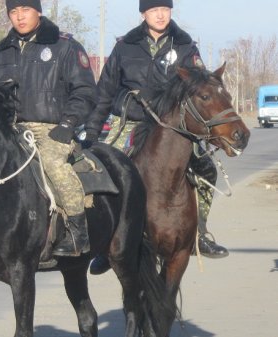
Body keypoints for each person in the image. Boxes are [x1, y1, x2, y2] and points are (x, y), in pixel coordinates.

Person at [83, 0, 229, 274]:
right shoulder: (125, 46)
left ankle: (199, 232)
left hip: (174, 127)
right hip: (131, 121)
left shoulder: (185, 46)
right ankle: (108, 241)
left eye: (165, 8)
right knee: (104, 170)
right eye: (153, 9)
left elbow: (200, 90)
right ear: (143, 13)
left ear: (171, 11)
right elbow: (103, 93)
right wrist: (91, 133)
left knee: (206, 169)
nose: (160, 14)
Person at [0, 0, 97, 257]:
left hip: (52, 129)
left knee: (53, 165)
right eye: (13, 12)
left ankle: (78, 233)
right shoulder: (0, 52)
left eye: (25, 10)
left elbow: (85, 91)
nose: (19, 17)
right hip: (12, 129)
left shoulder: (64, 46)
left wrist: (68, 125)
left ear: (38, 11)